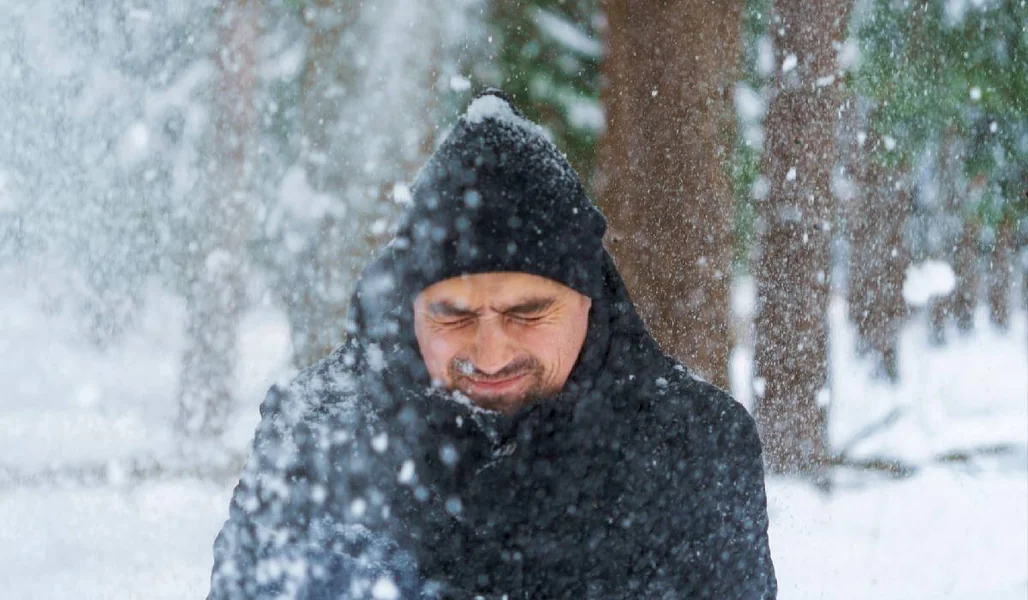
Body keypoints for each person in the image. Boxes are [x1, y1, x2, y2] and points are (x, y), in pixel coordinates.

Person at [208, 89, 777, 599]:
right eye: (452, 316)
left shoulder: (692, 442)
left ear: (589, 300)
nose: (489, 352)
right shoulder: (318, 431)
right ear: (410, 312)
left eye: (527, 312)